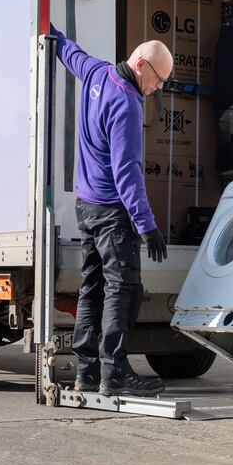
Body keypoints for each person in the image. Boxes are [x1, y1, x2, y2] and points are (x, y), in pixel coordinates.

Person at [51, 23, 171, 397]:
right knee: (124, 289)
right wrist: (146, 225)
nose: (160, 88)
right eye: (160, 79)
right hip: (112, 212)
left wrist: (46, 26)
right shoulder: (127, 105)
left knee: (92, 289)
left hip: (86, 207)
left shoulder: (95, 72)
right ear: (141, 65)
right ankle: (114, 372)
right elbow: (127, 172)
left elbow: (66, 51)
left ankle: (86, 371)